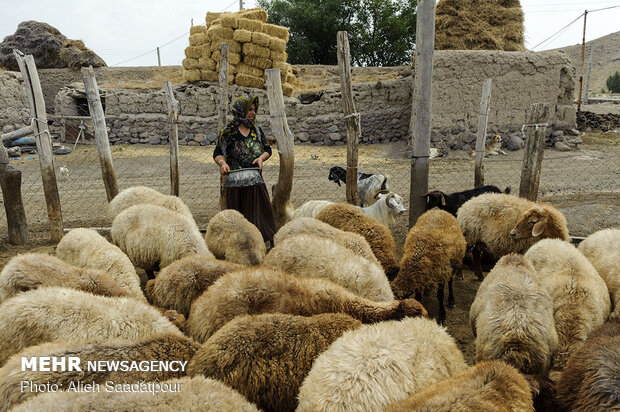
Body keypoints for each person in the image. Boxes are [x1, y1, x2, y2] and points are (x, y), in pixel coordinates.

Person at [213, 95, 276, 247]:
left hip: (255, 180)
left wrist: (261, 158)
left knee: (261, 214)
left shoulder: (257, 130)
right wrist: (222, 164)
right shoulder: (228, 132)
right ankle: (240, 248)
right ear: (240, 110)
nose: (253, 113)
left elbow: (267, 149)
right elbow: (217, 153)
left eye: (254, 110)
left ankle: (262, 246)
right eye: (250, 109)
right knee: (239, 218)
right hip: (235, 183)